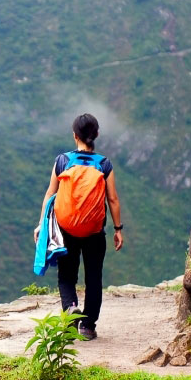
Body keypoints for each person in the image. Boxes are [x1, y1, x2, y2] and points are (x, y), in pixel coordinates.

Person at [34, 113, 123, 340]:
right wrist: (118, 229)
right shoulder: (104, 164)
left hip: (66, 230)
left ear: (75, 136)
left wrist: (41, 224)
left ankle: (71, 310)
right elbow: (113, 199)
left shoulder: (62, 161)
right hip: (95, 232)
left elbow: (50, 193)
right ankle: (88, 326)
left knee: (66, 276)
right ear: (97, 135)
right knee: (94, 278)